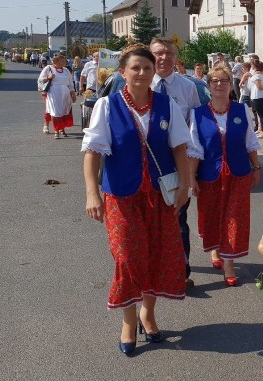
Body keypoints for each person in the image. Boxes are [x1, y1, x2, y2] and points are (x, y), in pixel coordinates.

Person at [82, 44, 191, 356]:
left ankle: (148, 313)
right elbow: (92, 154)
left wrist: (184, 186)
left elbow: (180, 148)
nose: (142, 72)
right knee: (128, 258)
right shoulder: (107, 106)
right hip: (121, 196)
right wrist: (92, 192)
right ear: (123, 72)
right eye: (135, 68)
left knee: (157, 255)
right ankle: (128, 321)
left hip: (160, 195)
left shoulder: (166, 105)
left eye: (147, 67)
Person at [188, 66, 261, 286]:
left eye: (224, 81)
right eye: (214, 81)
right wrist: (191, 178)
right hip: (210, 175)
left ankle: (229, 263)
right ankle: (216, 250)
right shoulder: (198, 113)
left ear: (231, 84)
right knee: (212, 215)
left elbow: (250, 142)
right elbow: (194, 149)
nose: (219, 84)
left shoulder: (242, 110)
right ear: (208, 86)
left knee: (234, 218)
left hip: (238, 173)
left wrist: (256, 168)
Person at [150, 37, 201, 289]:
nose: (164, 58)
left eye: (169, 53)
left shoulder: (188, 87)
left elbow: (194, 128)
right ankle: (152, 270)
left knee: (178, 218)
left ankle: (181, 271)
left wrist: (190, 171)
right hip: (146, 165)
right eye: (159, 53)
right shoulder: (139, 81)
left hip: (176, 165)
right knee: (149, 220)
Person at [38, 54, 77, 138]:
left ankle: (62, 129)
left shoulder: (66, 70)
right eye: (62, 61)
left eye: (65, 61)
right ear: (56, 61)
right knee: (55, 111)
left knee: (64, 111)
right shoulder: (48, 68)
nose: (64, 62)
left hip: (65, 93)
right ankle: (56, 130)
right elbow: (40, 80)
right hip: (53, 93)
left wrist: (73, 94)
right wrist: (48, 77)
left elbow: (70, 83)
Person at [248, 58, 263, 138]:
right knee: (262, 114)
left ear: (254, 66)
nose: (251, 67)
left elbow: (259, 87)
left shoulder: (256, 75)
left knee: (261, 115)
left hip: (258, 96)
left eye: (252, 65)